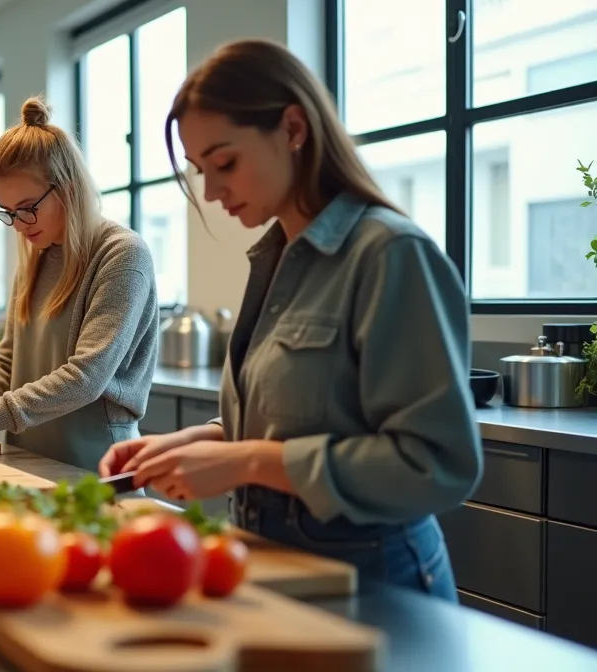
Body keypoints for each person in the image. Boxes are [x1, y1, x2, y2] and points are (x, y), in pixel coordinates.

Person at [98, 39, 482, 601]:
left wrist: (243, 460)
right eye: (200, 169)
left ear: (294, 129)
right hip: (277, 567)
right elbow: (301, 417)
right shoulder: (275, 259)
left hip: (376, 584)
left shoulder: (390, 254)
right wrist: (187, 445)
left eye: (225, 162)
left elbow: (438, 465)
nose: (210, 190)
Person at [0, 96, 160, 471]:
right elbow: (9, 361)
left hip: (95, 462)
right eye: (9, 212)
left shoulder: (122, 256)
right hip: (28, 455)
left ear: (67, 187)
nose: (18, 224)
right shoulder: (36, 257)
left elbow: (86, 378)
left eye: (28, 207)